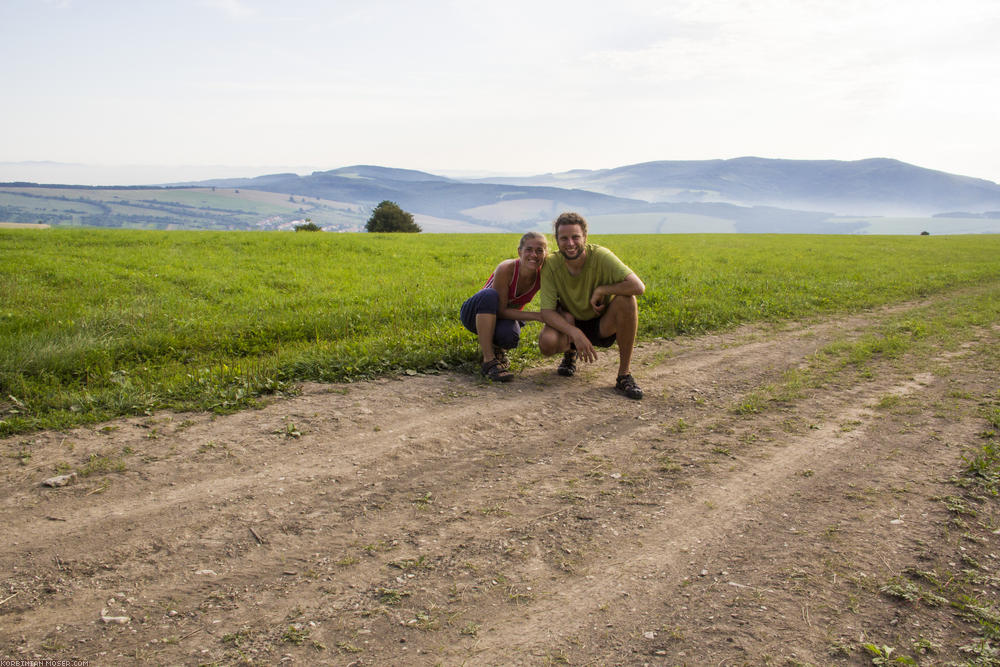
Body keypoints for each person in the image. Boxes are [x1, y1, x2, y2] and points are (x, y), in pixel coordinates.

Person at [537, 212, 646, 399]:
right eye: (564, 238)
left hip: (600, 323)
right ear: (557, 240)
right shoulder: (551, 265)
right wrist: (574, 333)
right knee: (546, 343)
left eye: (575, 237)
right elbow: (547, 312)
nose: (570, 243)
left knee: (627, 300)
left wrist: (602, 290)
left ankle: (624, 375)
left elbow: (638, 286)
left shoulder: (601, 256)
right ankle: (570, 354)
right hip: (570, 322)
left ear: (585, 237)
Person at [460, 232, 548, 382]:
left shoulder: (543, 275)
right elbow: (500, 309)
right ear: (519, 251)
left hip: (501, 318)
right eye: (529, 249)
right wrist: (537, 316)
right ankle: (489, 360)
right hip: (475, 314)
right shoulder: (506, 268)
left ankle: (496, 347)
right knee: (490, 295)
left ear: (545, 254)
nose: (534, 254)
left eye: (539, 250)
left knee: (510, 336)